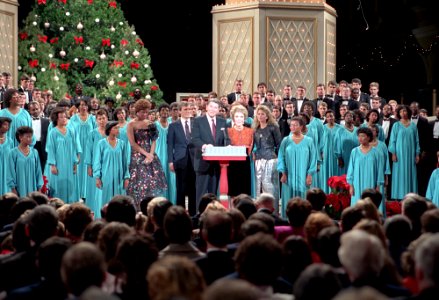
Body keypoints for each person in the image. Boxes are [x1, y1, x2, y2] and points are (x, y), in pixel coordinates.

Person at [126, 99, 167, 210]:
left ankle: (150, 209)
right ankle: (137, 209)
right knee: (138, 184)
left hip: (150, 154)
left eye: (146, 112)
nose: (145, 114)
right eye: (142, 112)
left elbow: (153, 141)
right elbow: (133, 144)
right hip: (137, 155)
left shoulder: (151, 124)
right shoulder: (131, 124)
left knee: (151, 183)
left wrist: (151, 155)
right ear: (137, 111)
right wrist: (146, 154)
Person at [192, 99, 229, 209]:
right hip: (202, 162)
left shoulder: (222, 121)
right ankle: (200, 216)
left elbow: (226, 138)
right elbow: (195, 139)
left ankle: (212, 215)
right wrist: (204, 146)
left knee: (213, 194)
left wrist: (228, 145)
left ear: (218, 110)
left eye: (216, 107)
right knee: (201, 193)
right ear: (207, 107)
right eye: (211, 106)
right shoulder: (198, 121)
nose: (213, 109)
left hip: (217, 164)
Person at [278, 117, 317, 217]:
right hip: (289, 175)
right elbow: (281, 157)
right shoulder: (286, 140)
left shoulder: (309, 141)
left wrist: (310, 175)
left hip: (303, 175)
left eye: (295, 125)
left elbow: (313, 159)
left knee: (303, 198)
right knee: (289, 199)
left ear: (301, 126)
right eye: (291, 125)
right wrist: (283, 173)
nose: (293, 127)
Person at [93, 121, 130, 218]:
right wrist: (97, 177)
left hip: (119, 176)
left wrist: (126, 177)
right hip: (106, 175)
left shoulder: (122, 144)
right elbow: (97, 161)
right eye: (116, 128)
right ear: (110, 130)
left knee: (119, 198)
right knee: (105, 197)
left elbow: (125, 162)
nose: (118, 130)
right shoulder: (101, 143)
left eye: (118, 127)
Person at [46, 107, 82, 203]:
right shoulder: (53, 132)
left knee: (71, 184)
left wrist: (76, 162)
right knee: (59, 184)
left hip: (70, 162)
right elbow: (51, 149)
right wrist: (52, 165)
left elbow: (75, 147)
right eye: (61, 117)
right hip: (58, 163)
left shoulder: (71, 130)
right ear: (56, 119)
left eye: (65, 117)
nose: (64, 118)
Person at [167, 101, 197, 215]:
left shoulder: (196, 123)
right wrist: (170, 161)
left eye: (190, 109)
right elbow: (170, 145)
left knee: (193, 189)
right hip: (180, 160)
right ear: (179, 111)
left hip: (195, 160)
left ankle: (193, 214)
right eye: (185, 109)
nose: (188, 111)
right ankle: (180, 214)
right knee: (181, 189)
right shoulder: (173, 126)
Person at [253, 105, 282, 208]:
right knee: (258, 186)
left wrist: (281, 160)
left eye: (263, 114)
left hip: (271, 159)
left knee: (270, 185)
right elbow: (253, 145)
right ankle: (260, 209)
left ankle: (273, 210)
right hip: (258, 160)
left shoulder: (273, 127)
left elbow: (279, 144)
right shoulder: (255, 129)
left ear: (267, 116)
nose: (260, 116)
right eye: (259, 114)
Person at [389, 105, 420, 201]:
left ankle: (410, 195)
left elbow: (416, 141)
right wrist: (393, 153)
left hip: (411, 154)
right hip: (399, 154)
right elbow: (392, 140)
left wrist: (417, 154)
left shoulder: (413, 125)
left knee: (411, 172)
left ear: (408, 113)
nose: (403, 113)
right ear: (398, 113)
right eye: (401, 111)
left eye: (405, 111)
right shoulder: (396, 125)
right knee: (399, 173)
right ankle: (399, 196)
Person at [347, 127, 384, 206]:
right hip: (357, 183)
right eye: (359, 136)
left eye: (363, 136)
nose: (360, 138)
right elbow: (351, 169)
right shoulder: (354, 151)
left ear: (369, 137)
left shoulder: (376, 152)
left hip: (371, 183)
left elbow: (380, 170)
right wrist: (351, 186)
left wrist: (378, 186)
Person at [69, 98, 96, 199]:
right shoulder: (73, 119)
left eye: (85, 105)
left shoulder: (93, 118)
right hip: (77, 148)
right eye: (81, 105)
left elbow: (96, 133)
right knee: (78, 169)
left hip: (89, 148)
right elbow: (71, 134)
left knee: (88, 168)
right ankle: (77, 193)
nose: (83, 107)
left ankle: (87, 194)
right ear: (78, 107)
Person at [6, 126, 43, 197]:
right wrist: (13, 189)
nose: (30, 139)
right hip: (19, 188)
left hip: (33, 187)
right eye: (27, 136)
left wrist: (39, 188)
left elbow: (38, 171)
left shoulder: (35, 152)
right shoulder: (13, 153)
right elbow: (10, 172)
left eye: (31, 136)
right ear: (20, 137)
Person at [227, 104, 254, 197]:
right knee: (233, 190)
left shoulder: (250, 131)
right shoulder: (228, 131)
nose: (239, 119)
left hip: (245, 162)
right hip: (231, 163)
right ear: (233, 118)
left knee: (244, 190)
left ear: (244, 118)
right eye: (237, 116)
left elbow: (251, 147)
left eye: (241, 116)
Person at [154, 104, 176, 204]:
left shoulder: (172, 124)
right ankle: (160, 203)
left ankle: (171, 203)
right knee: (160, 177)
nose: (165, 112)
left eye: (167, 110)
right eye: (163, 110)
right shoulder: (154, 125)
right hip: (158, 153)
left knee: (171, 178)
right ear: (159, 112)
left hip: (171, 153)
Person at [320, 110, 343, 193]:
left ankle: (337, 194)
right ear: (325, 118)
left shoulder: (340, 128)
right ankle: (326, 193)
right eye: (328, 116)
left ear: (334, 117)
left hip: (336, 154)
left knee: (337, 174)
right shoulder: (323, 128)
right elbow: (320, 142)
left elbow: (341, 141)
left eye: (331, 116)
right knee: (326, 173)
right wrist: (321, 152)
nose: (330, 118)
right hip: (326, 153)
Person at [335, 110, 358, 175]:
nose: (348, 117)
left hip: (356, 156)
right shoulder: (340, 130)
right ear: (344, 118)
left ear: (353, 118)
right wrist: (339, 157)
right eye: (347, 116)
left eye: (351, 116)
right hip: (344, 157)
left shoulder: (358, 130)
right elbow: (337, 144)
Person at [29, 101, 50, 170]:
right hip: (31, 145)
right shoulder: (27, 121)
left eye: (37, 109)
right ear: (30, 111)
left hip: (42, 146)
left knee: (42, 166)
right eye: (33, 110)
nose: (35, 111)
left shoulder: (46, 121)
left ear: (40, 109)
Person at [0, 116, 12, 195]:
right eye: (5, 124)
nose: (7, 127)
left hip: (6, 169)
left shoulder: (10, 141)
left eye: (8, 125)